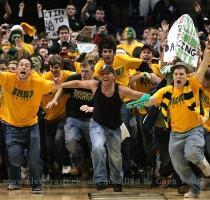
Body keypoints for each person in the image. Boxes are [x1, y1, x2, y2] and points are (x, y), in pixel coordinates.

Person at [127, 44, 210, 198]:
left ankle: (203, 164)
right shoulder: (166, 91)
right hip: (176, 133)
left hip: (194, 129)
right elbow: (151, 100)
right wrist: (139, 100)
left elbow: (202, 69)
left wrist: (206, 54)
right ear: (172, 77)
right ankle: (194, 188)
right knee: (178, 164)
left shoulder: (193, 84)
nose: (178, 76)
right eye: (176, 74)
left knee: (192, 153)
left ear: (186, 76)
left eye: (181, 74)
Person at [60, 64, 145, 192]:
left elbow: (144, 96)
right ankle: (100, 180)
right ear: (100, 76)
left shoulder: (121, 90)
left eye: (107, 73)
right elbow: (77, 83)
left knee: (115, 156)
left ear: (113, 76)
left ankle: (117, 180)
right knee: (98, 148)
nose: (105, 76)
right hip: (97, 124)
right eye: (103, 74)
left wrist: (132, 105)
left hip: (114, 127)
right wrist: (60, 85)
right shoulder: (95, 85)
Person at [0, 57, 60, 193]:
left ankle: (36, 185)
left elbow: (55, 86)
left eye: (26, 66)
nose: (23, 67)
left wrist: (57, 83)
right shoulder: (8, 78)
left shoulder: (37, 82)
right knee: (15, 159)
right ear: (17, 69)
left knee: (34, 159)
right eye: (21, 65)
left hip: (31, 126)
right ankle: (21, 169)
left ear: (30, 70)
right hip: (11, 126)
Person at [47, 60, 95, 178]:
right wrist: (55, 100)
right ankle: (78, 163)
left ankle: (93, 168)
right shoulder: (74, 78)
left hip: (91, 119)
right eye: (82, 71)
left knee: (95, 146)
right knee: (71, 141)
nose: (83, 74)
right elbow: (62, 88)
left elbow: (103, 101)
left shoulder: (97, 83)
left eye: (86, 72)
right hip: (73, 117)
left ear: (93, 72)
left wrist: (93, 108)